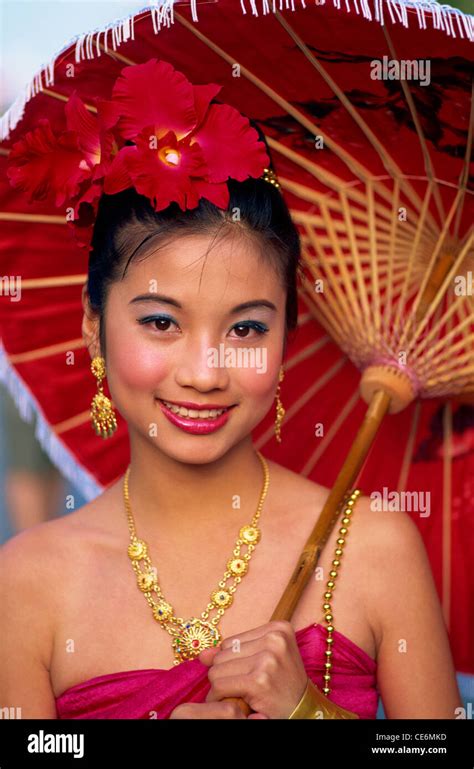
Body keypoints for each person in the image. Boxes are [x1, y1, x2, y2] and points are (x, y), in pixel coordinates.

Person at [0, 58, 462, 720]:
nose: (205, 370)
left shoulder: (371, 545)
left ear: (287, 335)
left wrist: (307, 711)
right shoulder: (27, 581)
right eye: (161, 322)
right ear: (93, 326)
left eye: (245, 327)